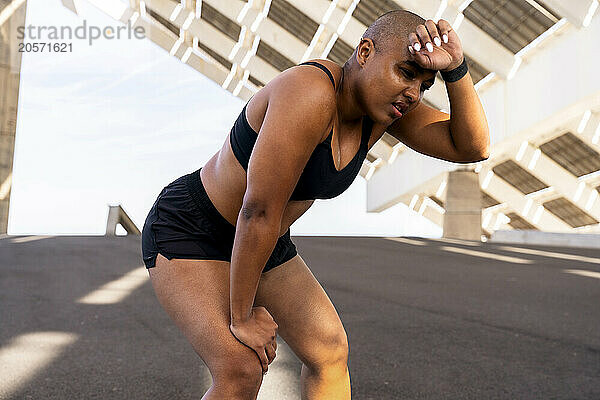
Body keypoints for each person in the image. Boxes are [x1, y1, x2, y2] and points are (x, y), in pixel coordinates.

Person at [141, 9, 489, 400]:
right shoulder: (310, 91)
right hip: (193, 226)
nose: (413, 93)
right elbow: (257, 210)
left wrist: (457, 69)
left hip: (262, 238)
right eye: (406, 73)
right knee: (240, 367)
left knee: (328, 351)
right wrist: (242, 316)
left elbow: (471, 147)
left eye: (424, 85)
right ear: (364, 52)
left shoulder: (384, 112)